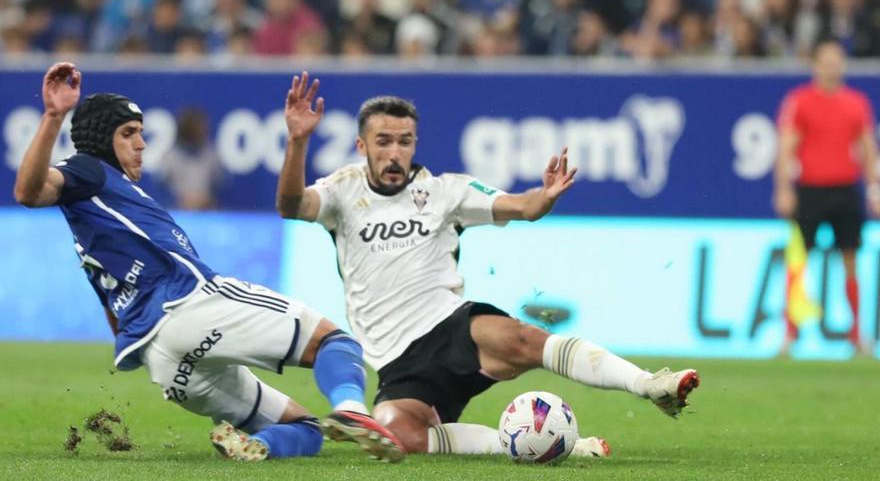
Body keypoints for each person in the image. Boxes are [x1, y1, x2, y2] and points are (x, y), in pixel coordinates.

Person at [275, 71, 700, 456]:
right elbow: (291, 205)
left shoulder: (445, 192)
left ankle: (649, 384)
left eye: (404, 141)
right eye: (383, 141)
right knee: (396, 434)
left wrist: (544, 197)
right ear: (361, 146)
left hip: (449, 326)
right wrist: (297, 143)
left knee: (522, 338)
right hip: (394, 359)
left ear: (415, 145)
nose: (394, 152)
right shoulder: (342, 191)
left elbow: (521, 206)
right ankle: (559, 447)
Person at [13, 62, 404, 463]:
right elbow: (30, 190)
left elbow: (114, 313)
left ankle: (258, 447)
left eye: (141, 133)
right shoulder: (89, 170)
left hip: (162, 360)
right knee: (334, 343)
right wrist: (54, 117)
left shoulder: (94, 225)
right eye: (128, 133)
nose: (142, 143)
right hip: (190, 305)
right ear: (100, 140)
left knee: (303, 430)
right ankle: (354, 411)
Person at [774, 40, 880, 355]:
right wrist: (783, 188)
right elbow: (786, 147)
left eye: (837, 61)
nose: (832, 67)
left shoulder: (856, 103)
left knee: (849, 261)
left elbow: (867, 150)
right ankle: (790, 335)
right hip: (810, 190)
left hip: (845, 189)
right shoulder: (801, 101)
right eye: (826, 61)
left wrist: (874, 189)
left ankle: (857, 336)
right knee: (798, 262)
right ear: (816, 65)